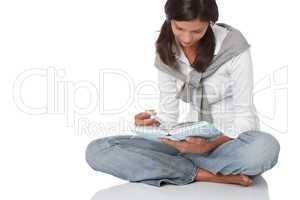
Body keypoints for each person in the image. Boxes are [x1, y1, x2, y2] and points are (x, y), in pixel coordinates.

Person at [86, 0, 280, 187]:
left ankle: (168, 168)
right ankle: (204, 174)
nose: (187, 38)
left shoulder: (233, 47)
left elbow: (245, 117)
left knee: (265, 149)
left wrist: (208, 146)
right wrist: (152, 124)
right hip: (185, 143)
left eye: (197, 31)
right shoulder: (166, 50)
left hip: (229, 143)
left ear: (210, 23)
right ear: (170, 20)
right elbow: (169, 117)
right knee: (97, 150)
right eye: (179, 28)